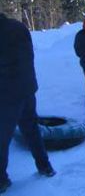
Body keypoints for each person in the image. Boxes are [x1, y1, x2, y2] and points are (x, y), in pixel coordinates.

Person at [0, 12, 55, 194]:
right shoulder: (19, 27)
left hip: (8, 94)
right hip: (27, 87)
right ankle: (44, 165)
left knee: (2, 138)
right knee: (32, 129)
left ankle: (1, 179)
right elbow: (30, 55)